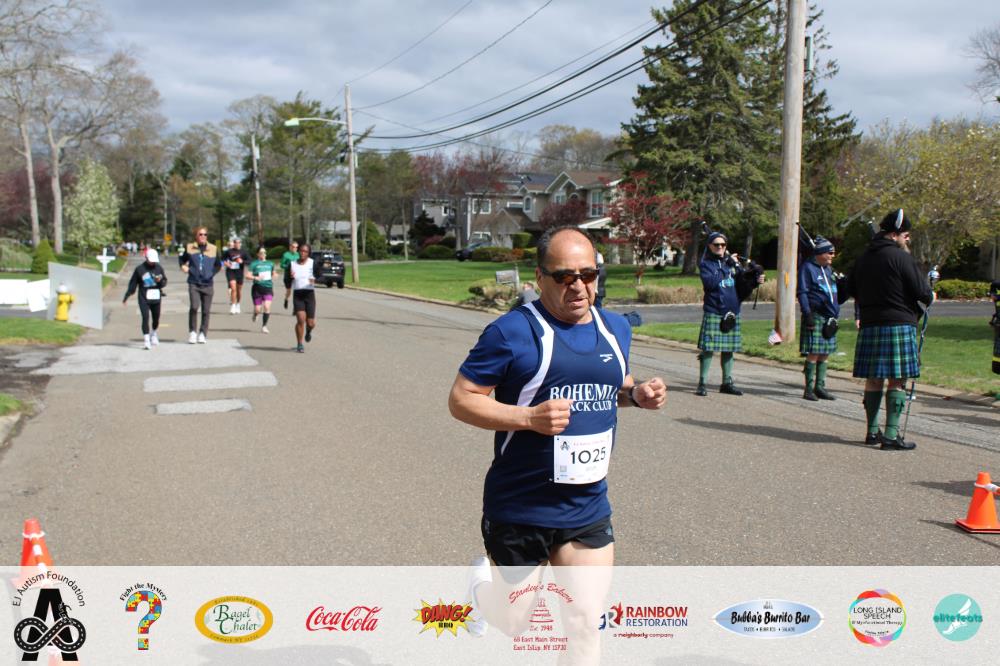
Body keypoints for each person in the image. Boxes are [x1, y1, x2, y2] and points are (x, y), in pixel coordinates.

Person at [448, 226, 666, 663]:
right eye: (565, 276)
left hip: (586, 505)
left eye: (588, 275)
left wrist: (636, 394)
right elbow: (461, 399)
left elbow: (611, 386)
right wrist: (528, 417)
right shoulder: (511, 332)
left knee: (584, 622)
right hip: (521, 506)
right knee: (514, 621)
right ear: (540, 277)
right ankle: (480, 592)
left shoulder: (615, 328)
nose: (579, 286)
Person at [846, 209, 934, 450]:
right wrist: (931, 295)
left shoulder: (863, 258)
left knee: (874, 380)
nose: (908, 239)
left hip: (870, 323)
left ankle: (872, 432)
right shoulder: (901, 258)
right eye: (906, 235)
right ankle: (891, 435)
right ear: (895, 234)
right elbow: (922, 293)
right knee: (897, 380)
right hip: (898, 323)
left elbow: (850, 289)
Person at [695, 231, 764, 396]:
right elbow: (710, 282)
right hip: (714, 310)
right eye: (716, 244)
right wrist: (727, 266)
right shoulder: (706, 264)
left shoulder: (732, 264)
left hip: (732, 311)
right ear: (710, 246)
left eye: (723, 244)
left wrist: (755, 280)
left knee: (728, 349)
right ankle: (702, 383)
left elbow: (742, 284)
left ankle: (727, 383)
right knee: (708, 349)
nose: (720, 247)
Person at [797, 236, 850, 401]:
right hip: (816, 315)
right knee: (814, 352)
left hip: (830, 317)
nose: (833, 256)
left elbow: (838, 296)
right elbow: (802, 293)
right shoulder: (807, 268)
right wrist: (807, 314)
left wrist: (845, 287)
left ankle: (820, 387)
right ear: (820, 253)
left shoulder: (829, 270)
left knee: (825, 353)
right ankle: (808, 389)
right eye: (830, 253)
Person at [179, 226, 222, 344]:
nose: (203, 236)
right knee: (194, 307)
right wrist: (183, 266)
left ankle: (203, 333)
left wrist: (211, 273)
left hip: (208, 284)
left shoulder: (213, 248)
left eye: (205, 234)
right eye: (200, 234)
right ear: (196, 236)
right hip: (194, 283)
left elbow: (218, 265)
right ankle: (192, 332)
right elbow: (181, 260)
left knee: (206, 310)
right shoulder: (189, 247)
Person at [122, 249, 167, 350]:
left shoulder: (159, 268)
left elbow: (164, 281)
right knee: (145, 317)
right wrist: (127, 296)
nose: (152, 263)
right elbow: (133, 283)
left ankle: (153, 333)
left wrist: (160, 281)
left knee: (156, 318)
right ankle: (146, 340)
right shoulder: (140, 269)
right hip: (144, 297)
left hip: (156, 297)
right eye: (151, 260)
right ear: (146, 258)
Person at [289, 243, 316, 353]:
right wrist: (290, 277)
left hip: (309, 295)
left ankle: (308, 331)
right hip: (298, 294)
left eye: (305, 251)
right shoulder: (292, 264)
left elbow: (320, 275)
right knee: (300, 319)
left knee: (310, 323)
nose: (303, 253)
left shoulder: (312, 263)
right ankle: (299, 344)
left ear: (308, 253)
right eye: (301, 250)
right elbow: (286, 280)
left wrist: (316, 279)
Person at [248, 247, 275, 333]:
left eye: (264, 252)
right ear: (257, 254)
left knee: (267, 307)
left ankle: (264, 326)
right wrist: (255, 277)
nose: (263, 254)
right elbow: (247, 275)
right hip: (257, 288)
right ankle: (255, 314)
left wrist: (275, 275)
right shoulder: (254, 264)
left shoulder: (270, 263)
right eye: (261, 252)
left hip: (268, 287)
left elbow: (273, 273)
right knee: (258, 309)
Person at [223, 238, 252, 314]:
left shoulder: (244, 252)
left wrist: (242, 261)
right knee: (233, 288)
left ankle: (238, 304)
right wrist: (226, 263)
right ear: (234, 243)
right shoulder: (229, 251)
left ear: (241, 244)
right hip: (230, 271)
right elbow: (222, 259)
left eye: (239, 243)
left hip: (239, 272)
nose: (237, 244)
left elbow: (250, 261)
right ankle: (233, 305)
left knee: (239, 290)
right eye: (236, 243)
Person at [280, 240, 300, 310]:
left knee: (297, 291)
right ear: (290, 247)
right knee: (289, 291)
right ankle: (286, 299)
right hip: (288, 276)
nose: (295, 249)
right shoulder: (286, 255)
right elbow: (281, 265)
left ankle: (296, 307)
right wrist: (288, 266)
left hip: (296, 276)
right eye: (293, 247)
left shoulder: (298, 255)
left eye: (296, 247)